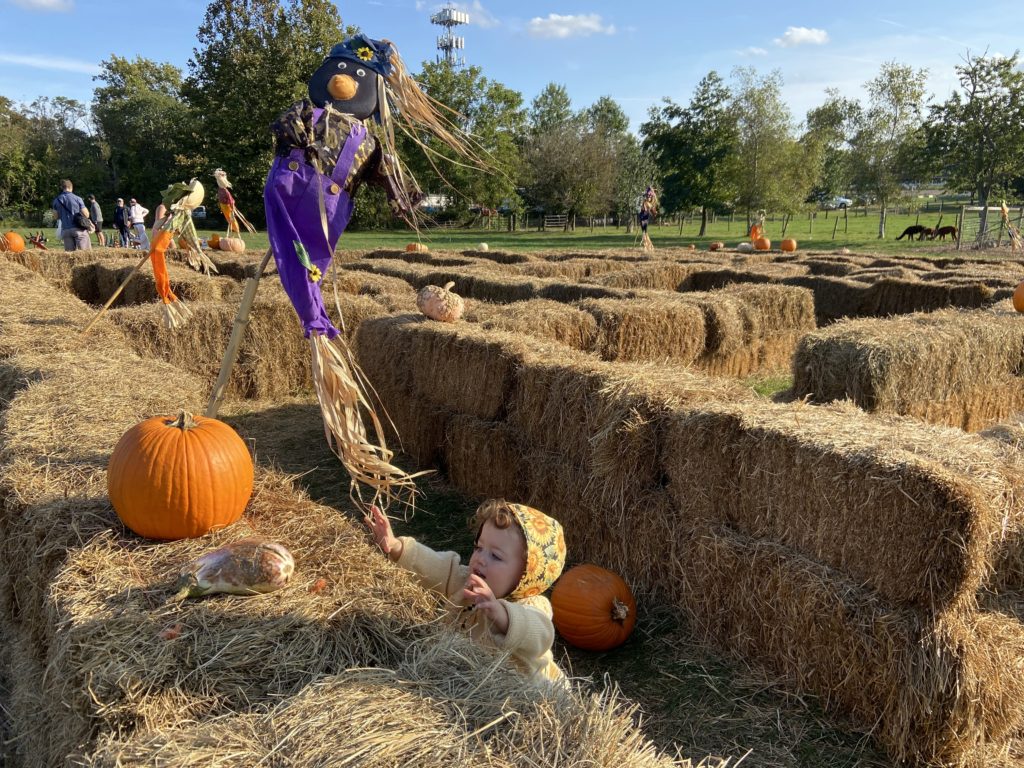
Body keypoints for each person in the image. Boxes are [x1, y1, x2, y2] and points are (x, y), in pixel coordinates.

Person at [365, 499, 567, 682]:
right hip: (469, 680)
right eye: (478, 548)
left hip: (523, 693)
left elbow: (541, 634)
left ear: (527, 573)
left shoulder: (531, 605)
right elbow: (440, 569)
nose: (480, 558)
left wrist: (500, 613)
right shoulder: (468, 582)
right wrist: (396, 547)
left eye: (495, 556)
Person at [51, 179, 90, 252]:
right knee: (85, 254)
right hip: (78, 229)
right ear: (71, 187)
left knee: (70, 256)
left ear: (62, 188)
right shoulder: (77, 198)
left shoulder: (56, 200)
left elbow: (56, 217)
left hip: (65, 230)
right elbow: (86, 214)